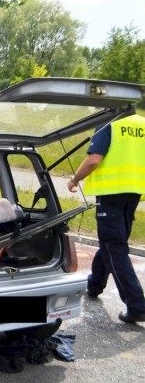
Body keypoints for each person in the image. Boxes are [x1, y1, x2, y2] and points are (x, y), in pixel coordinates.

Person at [67, 112, 145, 323]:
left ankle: (137, 305)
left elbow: (93, 160)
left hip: (111, 194)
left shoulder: (109, 123)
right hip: (134, 193)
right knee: (112, 244)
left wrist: (74, 179)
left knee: (114, 247)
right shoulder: (142, 124)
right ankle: (95, 285)